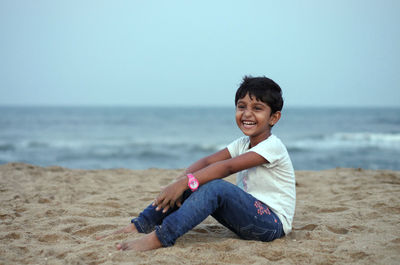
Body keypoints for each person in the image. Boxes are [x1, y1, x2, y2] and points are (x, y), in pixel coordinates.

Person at [97, 76, 296, 251]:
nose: (247, 113)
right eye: (241, 106)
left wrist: (185, 182)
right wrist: (180, 181)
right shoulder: (242, 143)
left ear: (274, 117)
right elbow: (208, 161)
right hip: (247, 218)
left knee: (214, 186)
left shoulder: (273, 146)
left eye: (257, 108)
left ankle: (161, 237)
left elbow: (227, 167)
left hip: (271, 224)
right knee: (196, 180)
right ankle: (141, 225)